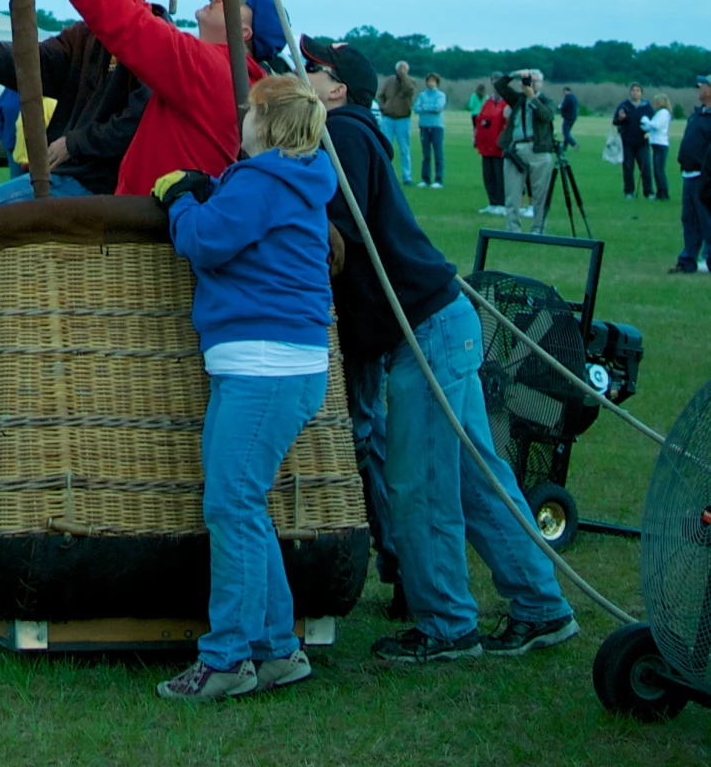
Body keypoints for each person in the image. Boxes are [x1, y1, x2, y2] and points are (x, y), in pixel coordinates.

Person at [302, 38, 577, 666]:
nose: (303, 74)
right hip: (443, 322)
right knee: (475, 479)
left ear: (338, 86)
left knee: (420, 481)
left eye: (311, 69)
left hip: (423, 330)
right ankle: (542, 608)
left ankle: (448, 625)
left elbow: (333, 235)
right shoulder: (353, 127)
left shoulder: (341, 133)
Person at [153, 74, 336, 704]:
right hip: (285, 363)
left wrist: (179, 197)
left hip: (264, 365)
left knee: (230, 506)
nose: (240, 118)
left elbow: (204, 241)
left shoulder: (262, 182)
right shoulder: (293, 181)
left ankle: (228, 658)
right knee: (246, 505)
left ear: (265, 122)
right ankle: (277, 649)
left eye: (248, 111)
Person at [34, 0, 260, 191]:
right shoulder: (228, 73)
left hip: (148, 221)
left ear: (245, 32)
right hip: (160, 214)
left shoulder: (211, 69)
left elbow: (129, 25)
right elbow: (138, 12)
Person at [0, 0, 148, 210]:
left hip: (95, 183)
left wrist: (74, 144)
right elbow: (28, 65)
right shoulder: (84, 37)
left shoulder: (149, 38)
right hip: (66, 175)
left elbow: (137, 121)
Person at [497, 70, 557, 234]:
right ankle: (513, 228)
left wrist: (533, 97)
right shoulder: (517, 100)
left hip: (538, 151)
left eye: (534, 81)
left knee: (540, 194)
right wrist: (514, 74)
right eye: (529, 80)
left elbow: (546, 116)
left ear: (541, 84)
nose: (531, 83)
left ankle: (538, 228)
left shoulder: (547, 101)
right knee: (512, 193)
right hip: (515, 150)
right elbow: (499, 86)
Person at [672, 77, 711, 274]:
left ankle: (709, 259)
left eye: (703, 86)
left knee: (707, 219)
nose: (699, 90)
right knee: (689, 219)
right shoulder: (697, 115)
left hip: (705, 178)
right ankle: (688, 259)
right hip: (689, 174)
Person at [377, 61, 418, 183]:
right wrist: (384, 107)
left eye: (404, 69)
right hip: (388, 119)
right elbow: (381, 95)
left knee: (404, 149)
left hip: (403, 119)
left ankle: (407, 176)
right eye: (400, 68)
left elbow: (408, 89)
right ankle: (385, 176)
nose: (401, 70)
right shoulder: (389, 81)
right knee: (385, 148)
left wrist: (404, 76)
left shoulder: (411, 81)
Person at [613, 83, 651, 200]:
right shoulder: (624, 105)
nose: (635, 92)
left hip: (642, 142)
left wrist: (649, 133)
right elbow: (615, 121)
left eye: (638, 90)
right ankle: (629, 192)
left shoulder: (647, 107)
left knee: (645, 168)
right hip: (627, 142)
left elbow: (653, 123)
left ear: (641, 93)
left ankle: (648, 192)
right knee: (628, 167)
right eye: (633, 90)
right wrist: (620, 118)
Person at [472, 87, 508, 212]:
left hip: (498, 147)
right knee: (488, 175)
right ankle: (492, 202)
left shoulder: (506, 103)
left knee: (500, 175)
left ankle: (501, 203)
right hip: (486, 146)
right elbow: (479, 119)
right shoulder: (488, 102)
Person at [416, 72, 447, 189]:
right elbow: (416, 108)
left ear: (437, 83)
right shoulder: (422, 95)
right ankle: (425, 179)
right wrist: (428, 107)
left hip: (436, 126)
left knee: (438, 153)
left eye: (433, 81)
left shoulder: (441, 95)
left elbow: (438, 108)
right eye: (429, 81)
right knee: (426, 154)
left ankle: (438, 179)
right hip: (424, 126)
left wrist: (425, 107)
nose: (431, 83)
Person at [647, 96, 673, 202]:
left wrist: (646, 121)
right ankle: (660, 192)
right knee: (657, 169)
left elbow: (656, 125)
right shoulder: (659, 113)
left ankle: (663, 193)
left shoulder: (663, 113)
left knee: (659, 169)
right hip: (656, 142)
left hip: (661, 144)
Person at [558, 85, 579, 152]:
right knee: (567, 132)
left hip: (568, 117)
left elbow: (563, 106)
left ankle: (574, 144)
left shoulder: (567, 98)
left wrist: (559, 106)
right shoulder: (574, 97)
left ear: (566, 91)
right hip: (573, 117)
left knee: (565, 133)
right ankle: (564, 147)